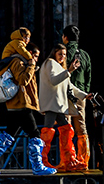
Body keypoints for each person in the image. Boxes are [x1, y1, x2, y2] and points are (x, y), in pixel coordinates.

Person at [0, 43, 56, 175]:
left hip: (18, 105)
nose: (36, 59)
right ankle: (37, 166)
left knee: (8, 134)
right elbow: (23, 81)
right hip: (21, 105)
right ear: (28, 52)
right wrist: (30, 66)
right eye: (35, 56)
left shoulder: (21, 63)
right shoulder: (18, 62)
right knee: (34, 134)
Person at [39, 43, 94, 173]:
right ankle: (43, 161)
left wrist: (85, 96)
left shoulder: (59, 67)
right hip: (52, 105)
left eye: (64, 55)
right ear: (54, 53)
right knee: (48, 131)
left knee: (66, 130)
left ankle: (69, 161)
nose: (62, 57)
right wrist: (69, 71)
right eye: (60, 54)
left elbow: (70, 87)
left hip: (58, 105)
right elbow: (53, 80)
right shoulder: (50, 63)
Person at [64, 25, 93, 170]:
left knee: (67, 127)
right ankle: (83, 161)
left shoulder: (64, 53)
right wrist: (85, 92)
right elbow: (88, 77)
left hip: (66, 94)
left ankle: (69, 160)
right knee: (82, 127)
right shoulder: (85, 55)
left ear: (65, 38)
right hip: (81, 94)